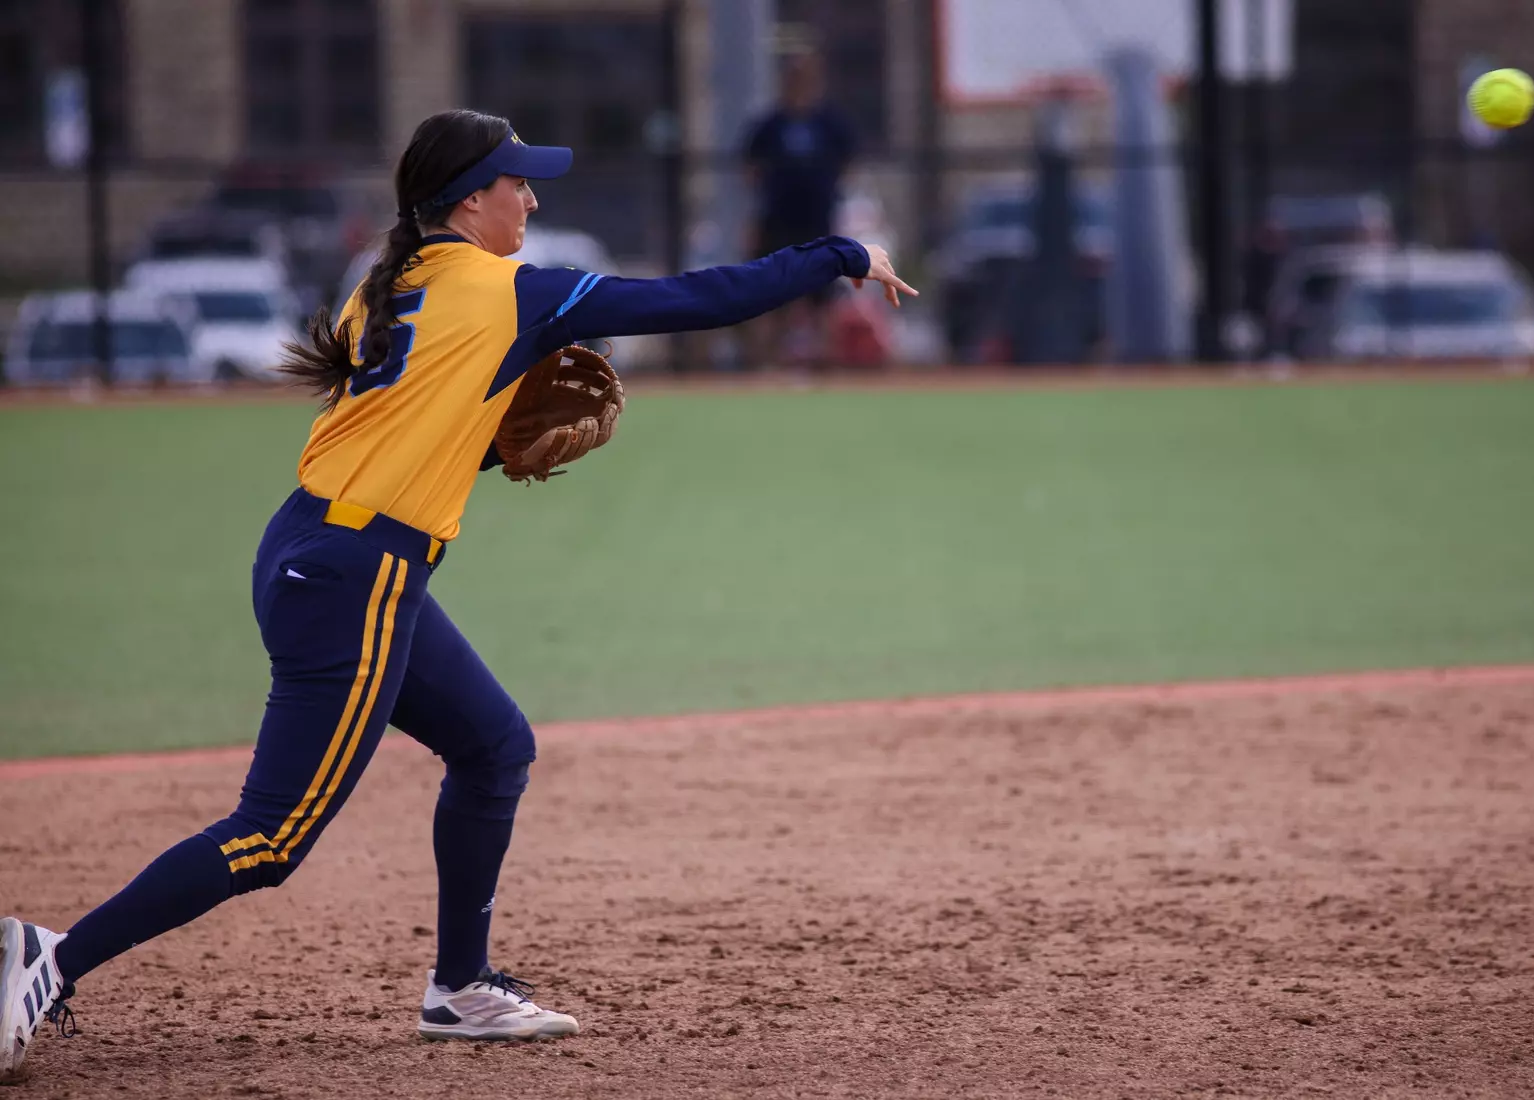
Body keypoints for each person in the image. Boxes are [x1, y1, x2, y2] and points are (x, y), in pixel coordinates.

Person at [0, 108, 914, 1077]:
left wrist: (487, 443)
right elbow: (696, 299)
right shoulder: (512, 290)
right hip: (360, 576)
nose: (531, 196)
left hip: (316, 548)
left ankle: (460, 985)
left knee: (493, 745)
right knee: (270, 837)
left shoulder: (385, 288)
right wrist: (839, 252)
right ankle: (49, 962)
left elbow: (404, 426)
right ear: (470, 199)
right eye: (517, 180)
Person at [743, 48, 858, 368]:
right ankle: (765, 366)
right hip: (778, 223)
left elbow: (848, 163)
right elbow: (751, 168)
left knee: (822, 299)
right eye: (793, 77)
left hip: (818, 223)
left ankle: (825, 366)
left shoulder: (830, 122)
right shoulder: (770, 125)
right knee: (770, 297)